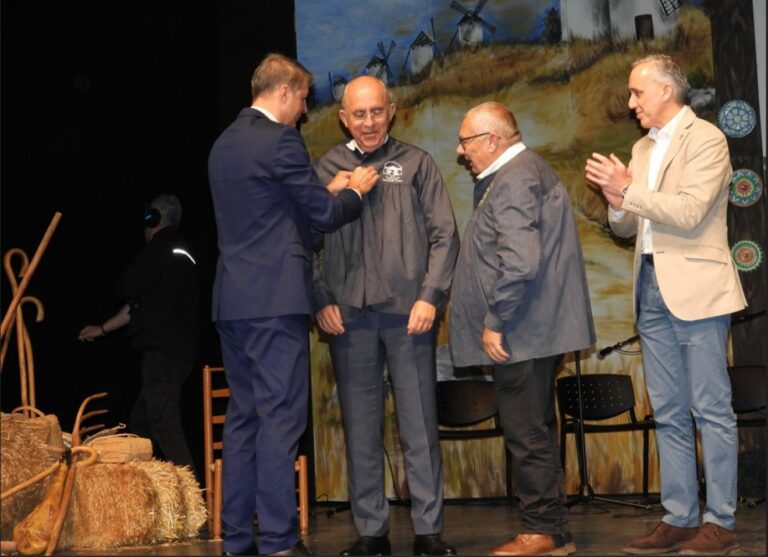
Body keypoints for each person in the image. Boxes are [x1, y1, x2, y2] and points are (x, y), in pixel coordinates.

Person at [208, 53, 378, 557]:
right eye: (303, 98)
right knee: (282, 419)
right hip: (275, 301)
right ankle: (281, 539)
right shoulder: (281, 139)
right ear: (283, 92)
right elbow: (323, 216)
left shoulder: (222, 145)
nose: (304, 110)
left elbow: (271, 216)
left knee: (243, 421)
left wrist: (322, 192)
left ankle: (237, 539)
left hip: (232, 301)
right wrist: (357, 192)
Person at [585, 54, 746, 556]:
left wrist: (629, 190)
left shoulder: (707, 140)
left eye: (637, 92)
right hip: (649, 287)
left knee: (711, 409)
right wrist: (616, 201)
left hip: (696, 289)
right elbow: (629, 226)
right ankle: (679, 517)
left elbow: (690, 211)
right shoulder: (641, 146)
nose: (631, 102)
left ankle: (720, 519)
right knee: (670, 411)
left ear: (665, 91)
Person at [312, 75, 459, 557]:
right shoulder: (327, 169)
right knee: (360, 429)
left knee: (419, 427)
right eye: (359, 114)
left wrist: (429, 297)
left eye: (377, 112)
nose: (369, 122)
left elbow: (445, 237)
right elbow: (304, 241)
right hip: (349, 320)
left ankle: (428, 531)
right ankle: (371, 532)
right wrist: (320, 298)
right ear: (343, 117)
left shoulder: (416, 164)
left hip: (408, 317)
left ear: (391, 111)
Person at [449, 102, 595, 557]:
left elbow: (520, 261)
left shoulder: (513, 178)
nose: (460, 151)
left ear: (493, 140)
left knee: (526, 434)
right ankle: (554, 531)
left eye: (466, 141)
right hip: (532, 330)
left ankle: (540, 532)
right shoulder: (523, 173)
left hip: (522, 331)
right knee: (536, 429)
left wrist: (494, 323)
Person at [78, 193, 199, 479]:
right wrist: (102, 329)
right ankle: (143, 496)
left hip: (162, 354)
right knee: (141, 424)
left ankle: (195, 502)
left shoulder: (162, 247)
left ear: (154, 218)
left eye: (149, 216)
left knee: (164, 424)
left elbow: (126, 287)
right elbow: (136, 306)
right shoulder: (180, 253)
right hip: (178, 355)